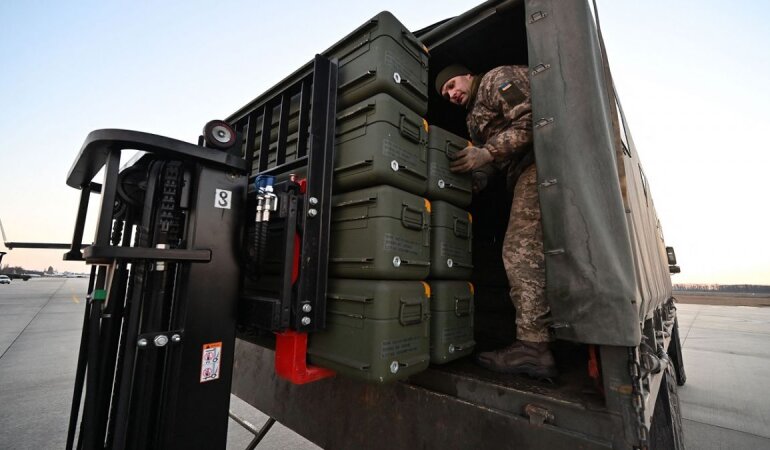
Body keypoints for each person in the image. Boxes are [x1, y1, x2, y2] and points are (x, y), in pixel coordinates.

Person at [435, 64, 556, 379]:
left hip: (542, 162)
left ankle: (533, 348)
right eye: (446, 93)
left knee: (518, 250)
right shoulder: (473, 119)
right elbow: (491, 162)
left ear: (468, 75)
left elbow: (534, 119)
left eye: (452, 84)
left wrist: (486, 152)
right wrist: (477, 179)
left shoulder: (494, 80)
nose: (451, 94)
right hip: (521, 172)